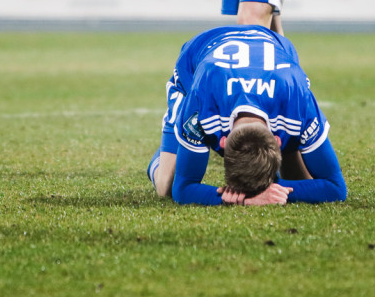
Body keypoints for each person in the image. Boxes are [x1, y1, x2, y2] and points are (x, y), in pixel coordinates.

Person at [147, 25, 347, 206]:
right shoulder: (200, 101)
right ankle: (171, 148)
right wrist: (252, 198)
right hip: (196, 59)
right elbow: (181, 189)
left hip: (276, 55)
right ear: (222, 142)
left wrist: (263, 193)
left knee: (301, 180)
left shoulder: (297, 96)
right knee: (165, 186)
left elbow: (336, 188)